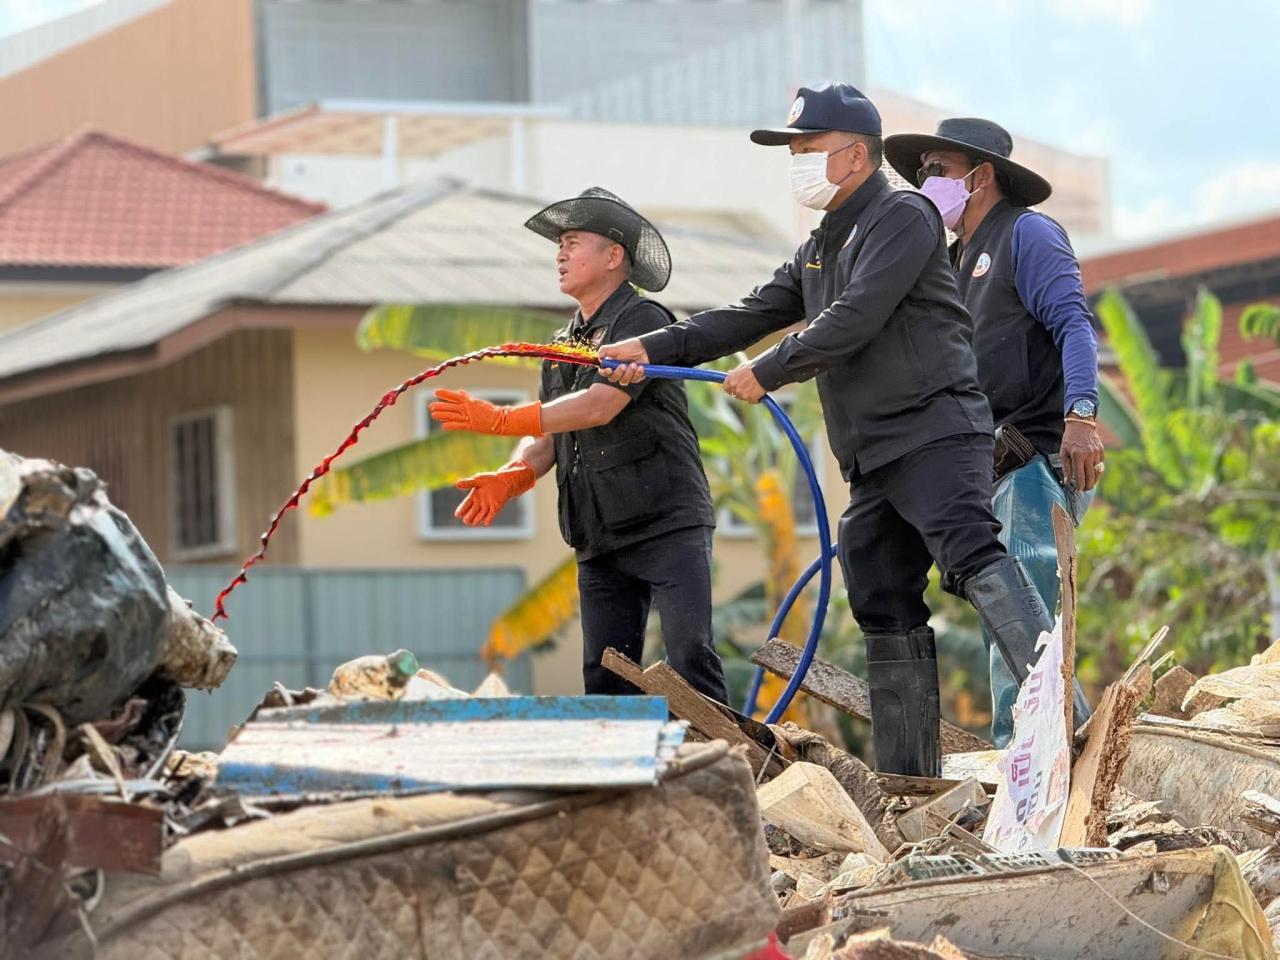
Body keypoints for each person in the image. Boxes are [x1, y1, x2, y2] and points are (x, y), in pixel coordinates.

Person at [600, 83, 1057, 777]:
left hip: (933, 432)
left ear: (854, 155)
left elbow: (854, 318)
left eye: (808, 148)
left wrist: (770, 369)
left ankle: (1065, 720)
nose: (798, 162)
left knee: (971, 555)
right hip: (872, 453)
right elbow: (748, 312)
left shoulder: (902, 217)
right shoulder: (822, 243)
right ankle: (910, 778)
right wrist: (653, 348)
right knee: (877, 587)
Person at [429, 187, 727, 703]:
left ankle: (733, 771)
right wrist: (514, 473)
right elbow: (549, 434)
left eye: (572, 242)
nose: (560, 254)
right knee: (605, 673)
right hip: (598, 531)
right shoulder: (562, 345)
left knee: (688, 656)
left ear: (615, 257)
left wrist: (500, 418)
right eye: (558, 245)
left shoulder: (644, 322)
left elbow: (599, 405)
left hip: (665, 520)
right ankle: (622, 781)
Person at [885, 118, 1099, 745]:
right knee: (1008, 620)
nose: (927, 182)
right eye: (922, 170)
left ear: (980, 177)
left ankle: (1040, 755)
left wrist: (1081, 417)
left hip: (1031, 461)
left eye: (938, 169)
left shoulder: (1025, 234)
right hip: (986, 470)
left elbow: (1074, 326)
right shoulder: (951, 261)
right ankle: (1048, 749)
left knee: (1025, 612)